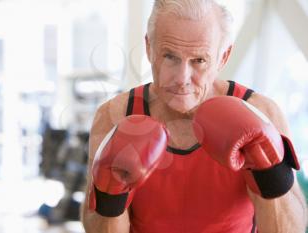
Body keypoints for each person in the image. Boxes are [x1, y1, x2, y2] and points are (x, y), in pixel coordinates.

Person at [81, 0, 308, 232]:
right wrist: (111, 195)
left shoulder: (263, 112)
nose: (182, 77)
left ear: (223, 57)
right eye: (170, 56)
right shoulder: (115, 116)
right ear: (149, 48)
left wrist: (271, 173)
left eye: (199, 60)